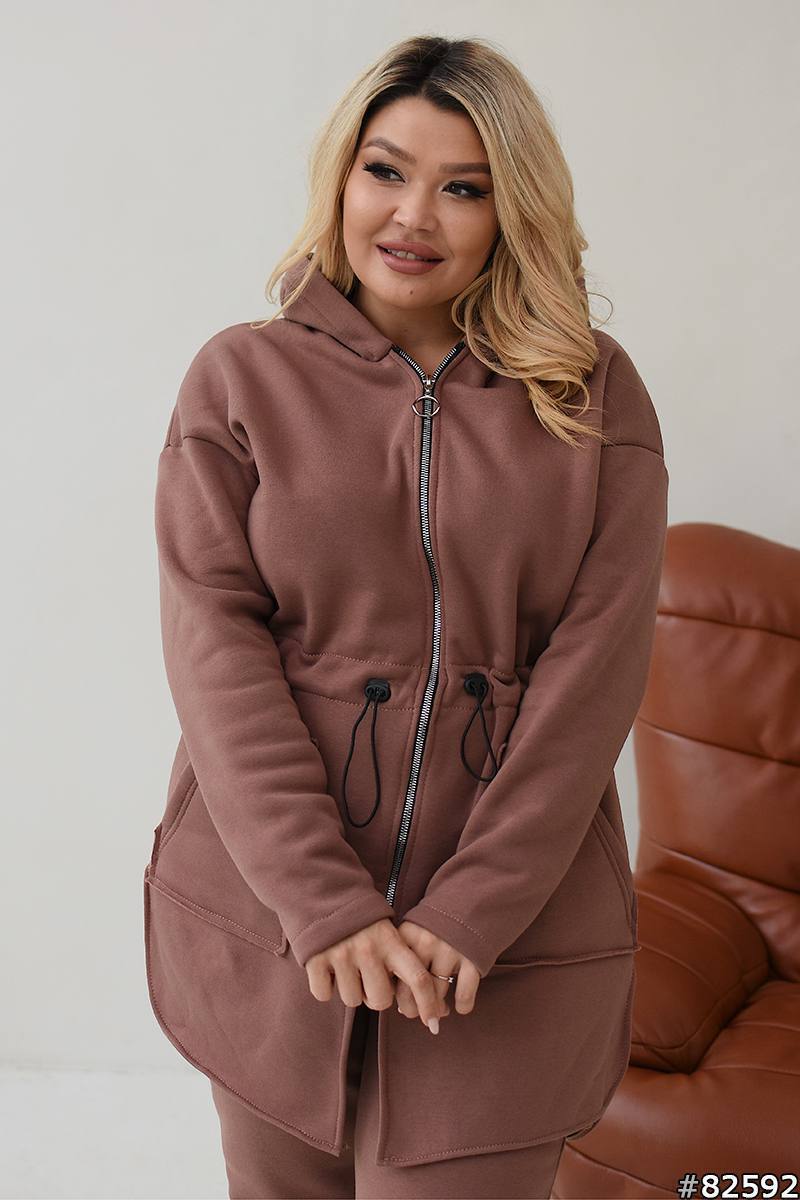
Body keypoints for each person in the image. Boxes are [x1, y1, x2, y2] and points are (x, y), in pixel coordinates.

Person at [144, 32, 668, 1200]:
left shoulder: (590, 394)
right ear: (341, 175)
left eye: (463, 188)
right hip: (271, 921)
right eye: (384, 170)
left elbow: (594, 675)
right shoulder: (239, 379)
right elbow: (215, 651)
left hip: (505, 943)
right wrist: (323, 907)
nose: (412, 215)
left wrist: (471, 912)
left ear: (510, 209)